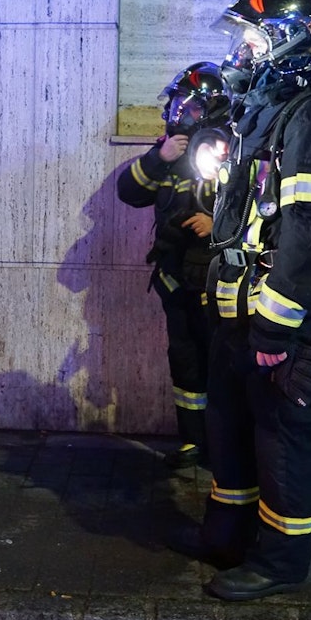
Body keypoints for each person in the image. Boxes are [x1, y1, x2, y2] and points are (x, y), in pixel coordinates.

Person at [166, 0, 311, 600]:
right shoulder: (264, 117)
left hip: (289, 324)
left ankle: (281, 561)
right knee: (229, 427)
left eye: (251, 38)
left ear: (286, 42)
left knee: (283, 438)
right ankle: (231, 534)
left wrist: (277, 327)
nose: (241, 52)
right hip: (240, 313)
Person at [116, 62, 230, 469]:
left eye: (188, 105)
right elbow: (129, 192)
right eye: (177, 104)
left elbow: (257, 206)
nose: (178, 112)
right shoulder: (170, 151)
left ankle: (224, 446)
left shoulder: (229, 147)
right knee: (184, 363)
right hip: (175, 278)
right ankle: (193, 441)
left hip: (218, 284)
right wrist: (158, 156)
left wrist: (217, 225)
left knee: (220, 364)